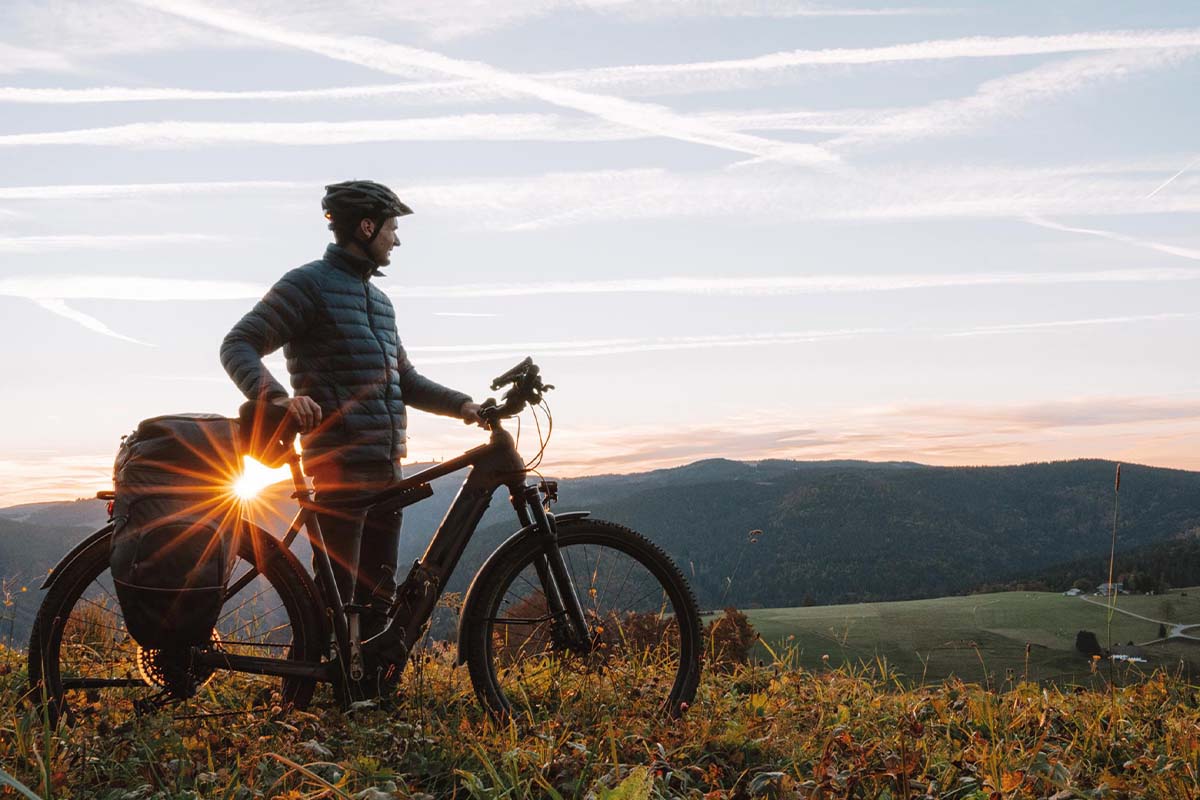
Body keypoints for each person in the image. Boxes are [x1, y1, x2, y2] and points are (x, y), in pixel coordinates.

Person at [221, 180, 481, 637]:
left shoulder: (381, 304)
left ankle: (368, 693)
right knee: (337, 600)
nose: (396, 239)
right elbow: (238, 343)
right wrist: (276, 398)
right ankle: (321, 688)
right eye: (391, 229)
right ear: (366, 227)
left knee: (378, 593)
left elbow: (406, 382)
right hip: (340, 465)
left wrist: (464, 406)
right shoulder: (309, 285)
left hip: (387, 469)